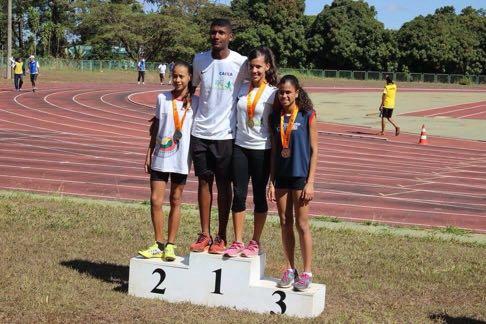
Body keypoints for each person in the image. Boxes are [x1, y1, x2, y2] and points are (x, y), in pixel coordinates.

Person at [189, 18, 248, 254]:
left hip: (226, 134)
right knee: (204, 183)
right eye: (213, 32)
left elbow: (258, 80)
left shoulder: (240, 62)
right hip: (200, 132)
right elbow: (191, 88)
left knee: (225, 186)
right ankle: (205, 234)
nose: (216, 36)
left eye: (221, 33)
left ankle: (221, 236)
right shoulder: (199, 59)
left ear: (230, 37)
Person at [138, 60, 198, 261]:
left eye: (182, 76)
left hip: (181, 158)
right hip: (161, 157)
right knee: (155, 200)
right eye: (175, 76)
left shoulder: (195, 103)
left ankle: (170, 245)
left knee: (175, 200)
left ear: (190, 78)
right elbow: (155, 126)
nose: (178, 80)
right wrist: (149, 151)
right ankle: (158, 243)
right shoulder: (162, 98)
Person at [223, 46, 278, 258]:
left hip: (262, 150)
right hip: (240, 147)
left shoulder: (273, 93)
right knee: (238, 194)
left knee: (259, 197)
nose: (254, 70)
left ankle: (255, 241)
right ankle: (237, 241)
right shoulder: (241, 88)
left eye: (258, 66)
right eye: (251, 66)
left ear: (267, 67)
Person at [267, 75, 318, 292]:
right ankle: (290, 268)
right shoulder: (275, 117)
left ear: (297, 92)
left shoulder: (308, 115)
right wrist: (271, 181)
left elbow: (315, 151)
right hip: (282, 177)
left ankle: (307, 272)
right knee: (285, 221)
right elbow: (275, 153)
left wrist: (311, 182)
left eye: (288, 92)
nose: (284, 95)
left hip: (300, 177)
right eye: (281, 92)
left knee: (302, 224)